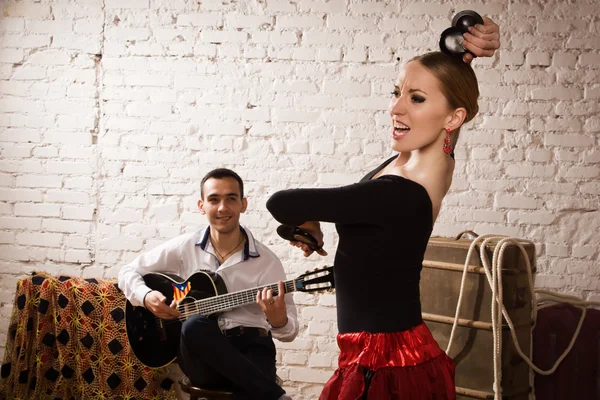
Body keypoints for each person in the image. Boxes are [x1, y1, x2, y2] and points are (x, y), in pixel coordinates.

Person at [266, 18, 500, 400]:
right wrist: (465, 44)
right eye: (398, 92)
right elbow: (450, 91)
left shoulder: (398, 192)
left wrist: (306, 216)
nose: (396, 107)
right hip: (382, 351)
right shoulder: (427, 161)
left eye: (416, 99)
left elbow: (280, 203)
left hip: (386, 365)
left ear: (453, 118)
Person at [118, 168, 298, 400]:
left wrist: (279, 320)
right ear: (202, 205)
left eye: (231, 199)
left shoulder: (267, 261)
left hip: (251, 349)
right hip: (199, 353)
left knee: (249, 385)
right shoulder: (185, 247)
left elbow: (289, 331)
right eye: (214, 199)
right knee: (194, 325)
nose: (222, 208)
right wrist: (145, 296)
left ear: (243, 204)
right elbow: (128, 271)